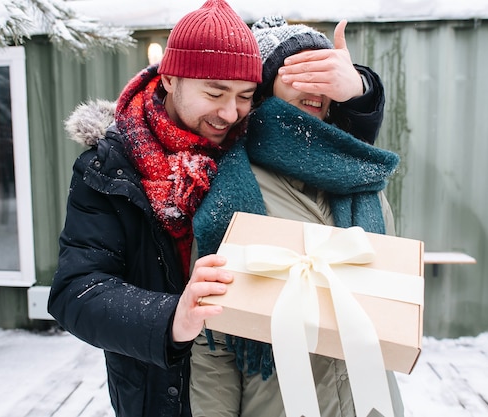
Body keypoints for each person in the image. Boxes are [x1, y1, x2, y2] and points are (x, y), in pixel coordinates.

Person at [46, 1, 262, 416]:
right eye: (215, 93)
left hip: (252, 388)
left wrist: (359, 92)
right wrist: (169, 319)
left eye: (245, 96)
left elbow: (323, 144)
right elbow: (77, 290)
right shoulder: (110, 167)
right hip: (159, 394)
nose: (230, 113)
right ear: (170, 79)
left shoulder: (253, 147)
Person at [190, 16, 404, 417]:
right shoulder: (234, 188)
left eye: (323, 71)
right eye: (298, 71)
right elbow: (213, 342)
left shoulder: (363, 180)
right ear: (265, 85)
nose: (315, 84)